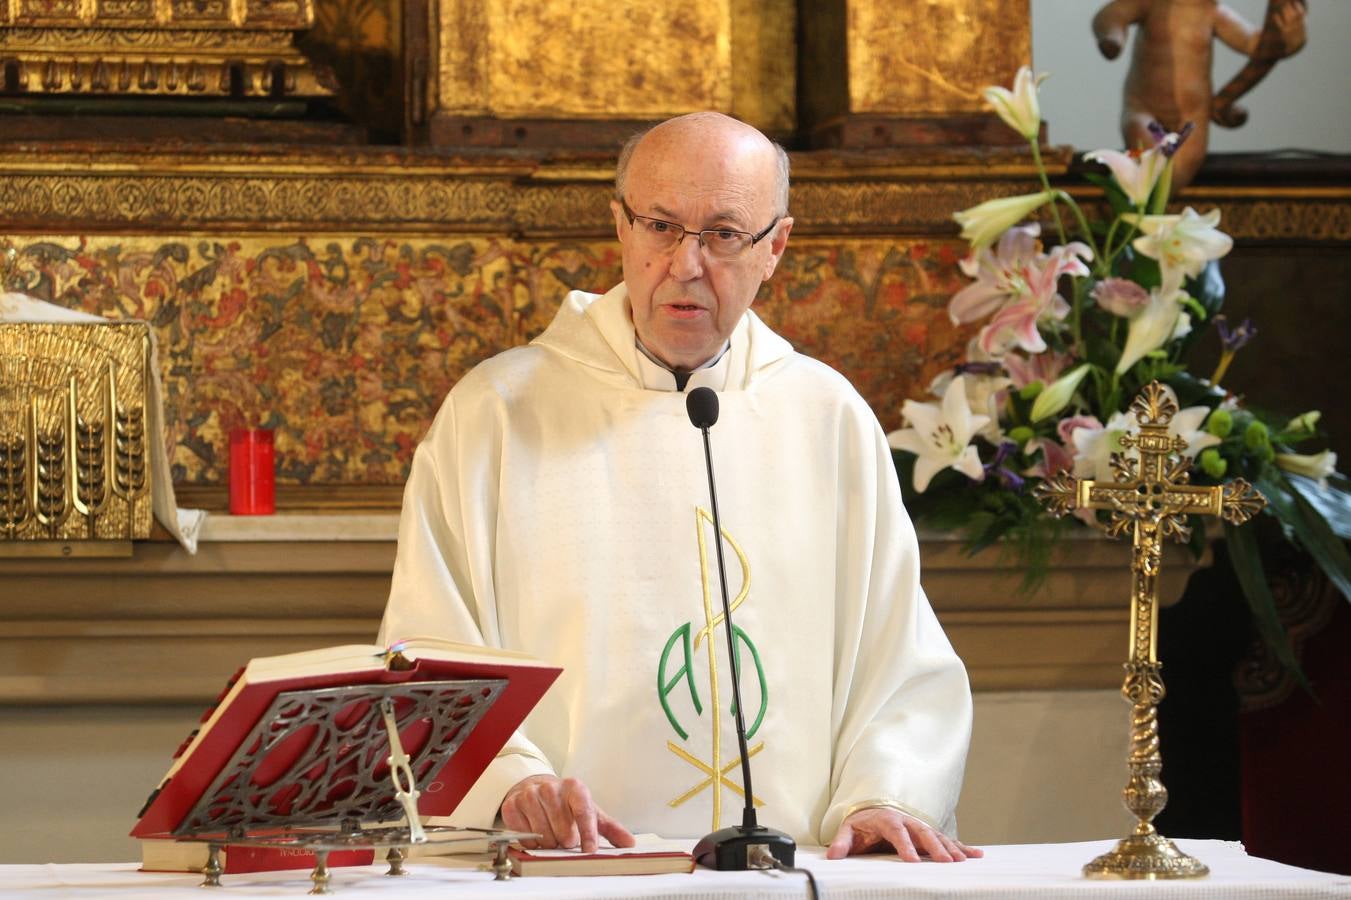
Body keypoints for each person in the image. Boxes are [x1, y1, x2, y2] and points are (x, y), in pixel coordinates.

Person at [379, 112, 981, 863]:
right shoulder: (496, 414)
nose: (685, 264)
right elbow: (429, 646)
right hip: (572, 869)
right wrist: (511, 781)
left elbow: (898, 658)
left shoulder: (826, 417)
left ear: (775, 247)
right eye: (661, 227)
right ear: (620, 227)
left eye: (724, 235)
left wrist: (881, 795)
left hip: (791, 874)